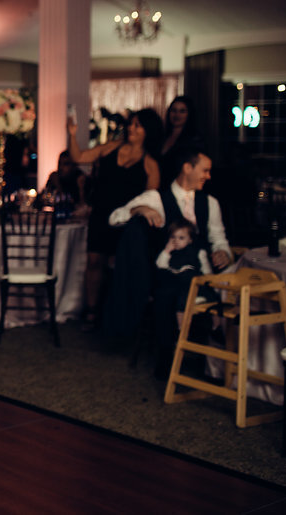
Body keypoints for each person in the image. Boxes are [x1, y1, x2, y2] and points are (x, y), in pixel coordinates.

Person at [108, 148, 232, 373]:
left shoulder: (210, 202)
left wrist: (224, 252)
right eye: (205, 171)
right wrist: (140, 208)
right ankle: (168, 358)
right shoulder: (157, 197)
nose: (208, 176)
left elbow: (218, 239)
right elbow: (115, 217)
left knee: (225, 286)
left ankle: (213, 360)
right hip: (168, 273)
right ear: (188, 167)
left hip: (200, 270)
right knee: (168, 291)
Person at [67, 108, 162, 329]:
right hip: (101, 213)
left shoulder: (150, 163)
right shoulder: (111, 147)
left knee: (119, 265)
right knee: (94, 262)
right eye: (131, 124)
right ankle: (91, 312)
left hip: (126, 221)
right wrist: (71, 134)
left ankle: (115, 314)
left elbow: (150, 199)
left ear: (148, 130)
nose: (131, 128)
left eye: (138, 125)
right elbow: (79, 157)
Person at [160, 96, 202, 187]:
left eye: (182, 111)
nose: (177, 115)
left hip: (179, 187)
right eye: (174, 110)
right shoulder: (161, 136)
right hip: (160, 186)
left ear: (189, 114)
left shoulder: (193, 140)